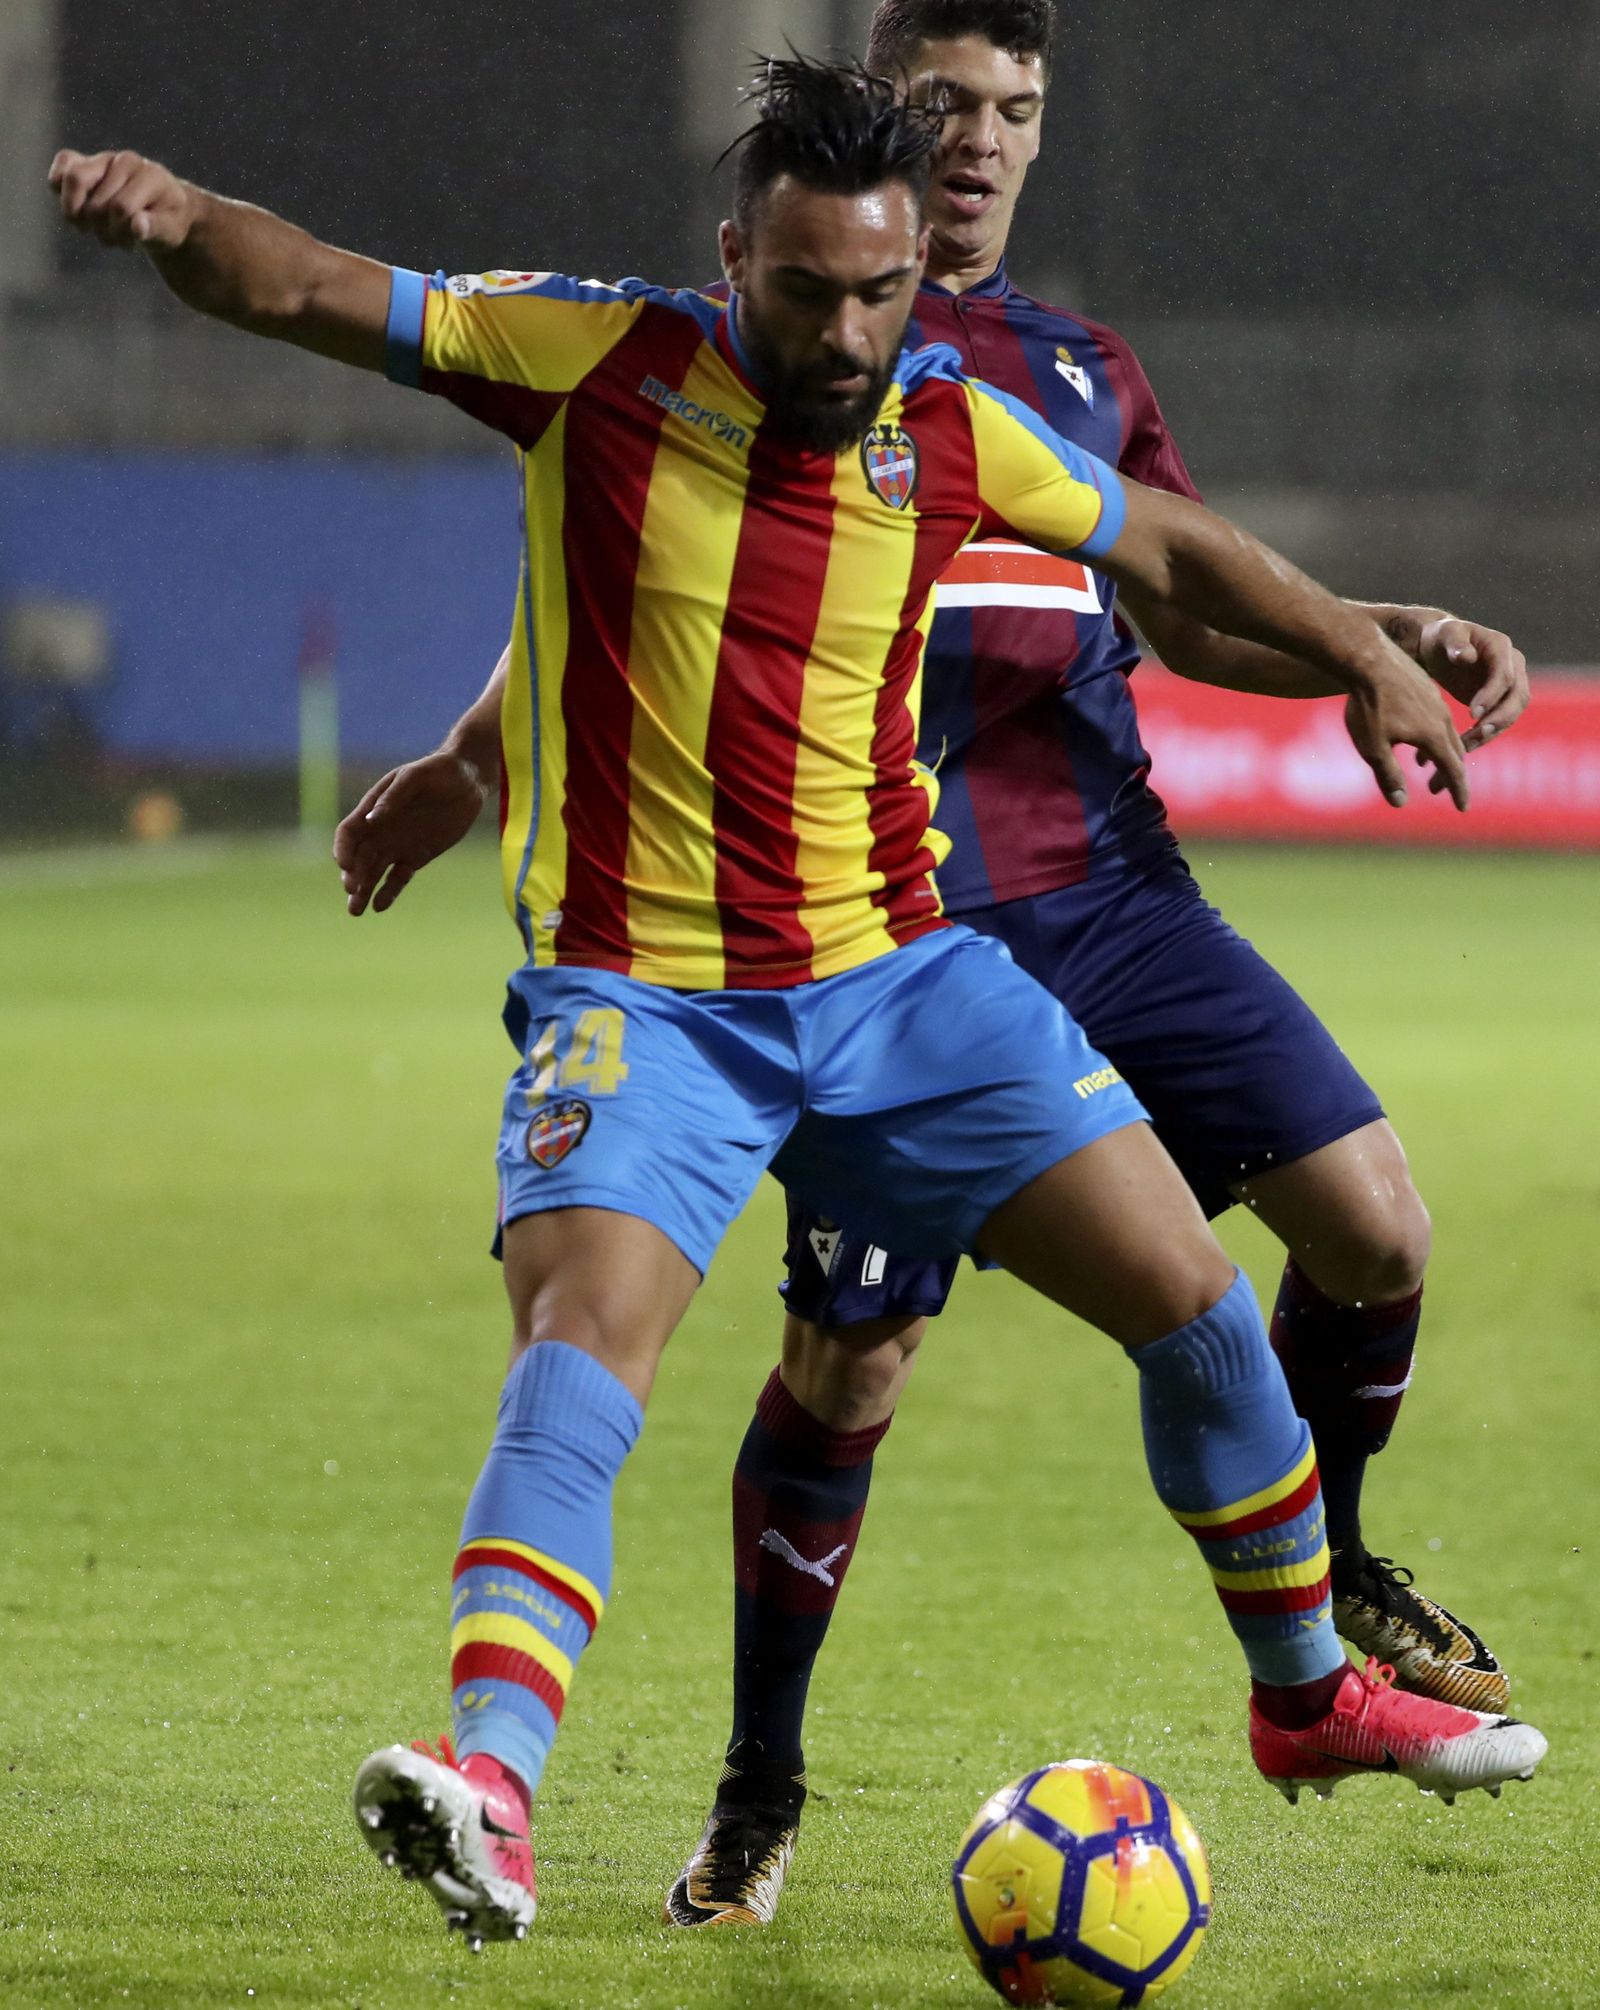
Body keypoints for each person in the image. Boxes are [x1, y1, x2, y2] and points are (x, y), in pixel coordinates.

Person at [54, 54, 1542, 1959]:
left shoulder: (949, 423)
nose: (845, 336)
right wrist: (175, 217)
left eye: (881, 293)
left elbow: (1167, 551)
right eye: (807, 291)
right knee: (586, 1345)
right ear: (732, 252)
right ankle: (492, 1779)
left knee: (1196, 1301)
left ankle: (1305, 1690)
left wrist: (1357, 641)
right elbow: (310, 282)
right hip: (647, 998)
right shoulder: (592, 362)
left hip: (902, 978)